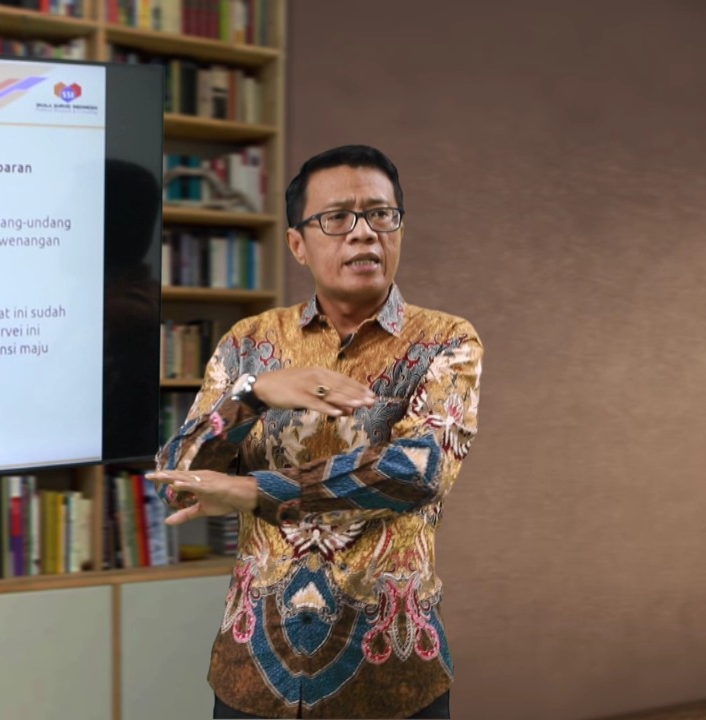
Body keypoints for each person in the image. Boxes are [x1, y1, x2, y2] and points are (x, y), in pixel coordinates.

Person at [148, 144, 482, 719]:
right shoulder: (248, 343)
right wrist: (253, 394)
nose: (364, 233)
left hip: (392, 672)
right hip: (253, 673)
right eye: (337, 218)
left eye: (381, 214)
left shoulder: (446, 341)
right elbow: (178, 483)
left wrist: (254, 490)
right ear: (297, 244)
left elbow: (419, 471)